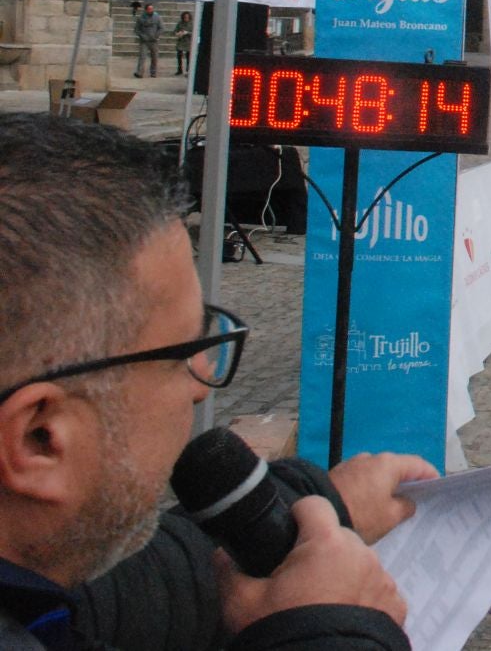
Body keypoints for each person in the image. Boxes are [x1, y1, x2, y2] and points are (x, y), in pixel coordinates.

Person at [0, 115, 432, 650]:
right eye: (184, 352)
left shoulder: (36, 582)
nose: (205, 381)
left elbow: (124, 593)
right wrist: (331, 632)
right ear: (40, 438)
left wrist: (317, 505)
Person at [130, 4, 161, 80]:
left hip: (154, 40)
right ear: (146, 10)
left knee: (154, 57)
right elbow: (136, 30)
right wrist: (142, 36)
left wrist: (156, 35)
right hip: (144, 40)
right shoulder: (141, 18)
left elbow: (162, 28)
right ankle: (139, 72)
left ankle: (153, 72)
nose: (151, 10)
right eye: (149, 9)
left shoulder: (157, 17)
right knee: (142, 57)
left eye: (152, 9)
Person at [170, 12, 193, 77]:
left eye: (187, 17)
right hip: (181, 41)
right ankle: (179, 69)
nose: (186, 18)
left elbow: (195, 32)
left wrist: (187, 33)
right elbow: (174, 31)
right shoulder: (180, 23)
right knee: (179, 56)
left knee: (188, 57)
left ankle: (188, 70)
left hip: (188, 42)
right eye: (185, 17)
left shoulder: (192, 24)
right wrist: (178, 33)